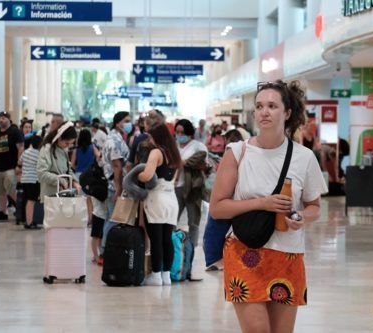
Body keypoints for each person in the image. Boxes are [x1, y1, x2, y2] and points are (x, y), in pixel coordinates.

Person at [209, 80, 327, 333]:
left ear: (287, 113)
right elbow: (217, 208)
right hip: (244, 251)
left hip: (288, 254)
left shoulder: (304, 157)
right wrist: (263, 203)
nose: (264, 112)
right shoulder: (237, 152)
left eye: (272, 106)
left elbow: (314, 206)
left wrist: (301, 217)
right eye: (259, 106)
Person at [137, 123, 181, 286]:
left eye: (151, 136)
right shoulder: (174, 153)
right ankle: (166, 276)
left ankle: (155, 275)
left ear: (157, 137)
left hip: (156, 198)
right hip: (171, 199)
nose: (149, 139)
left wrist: (137, 174)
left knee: (155, 239)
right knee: (166, 239)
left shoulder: (156, 152)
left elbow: (147, 175)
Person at [100, 111, 132, 258]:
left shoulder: (117, 138)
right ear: (118, 122)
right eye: (126, 121)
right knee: (114, 219)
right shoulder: (114, 141)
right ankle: (105, 250)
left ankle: (105, 250)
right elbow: (117, 166)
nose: (128, 124)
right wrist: (119, 189)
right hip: (115, 186)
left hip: (115, 185)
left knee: (111, 218)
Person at [174, 119, 208, 248]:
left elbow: (205, 164)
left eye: (182, 132)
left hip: (193, 187)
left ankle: (191, 246)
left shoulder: (198, 146)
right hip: (175, 187)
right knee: (172, 218)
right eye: (177, 132)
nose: (180, 135)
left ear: (189, 133)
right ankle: (172, 245)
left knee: (193, 220)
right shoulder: (174, 146)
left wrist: (186, 163)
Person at [0, 111, 24, 222]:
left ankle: (22, 210)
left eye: (4, 118)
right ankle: (3, 212)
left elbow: (20, 147)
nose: (1, 120)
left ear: (9, 120)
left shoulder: (14, 131)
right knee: (0, 191)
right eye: (0, 118)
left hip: (11, 166)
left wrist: (19, 164)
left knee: (11, 190)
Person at [37, 121, 81, 200]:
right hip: (51, 196)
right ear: (60, 137)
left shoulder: (63, 150)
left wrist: (75, 182)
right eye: (66, 143)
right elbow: (41, 173)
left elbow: (68, 170)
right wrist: (60, 180)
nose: (67, 146)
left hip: (64, 195)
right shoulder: (47, 149)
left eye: (70, 144)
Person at [19, 135, 42, 229]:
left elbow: (20, 162)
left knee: (28, 200)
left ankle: (28, 220)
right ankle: (29, 223)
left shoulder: (26, 152)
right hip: (33, 180)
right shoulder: (39, 154)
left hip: (24, 179)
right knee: (31, 201)